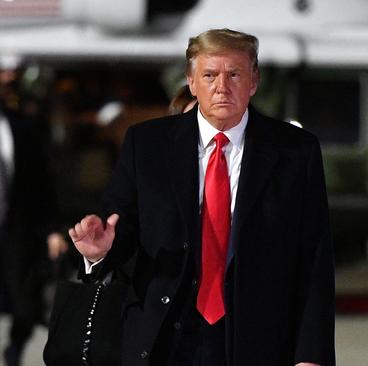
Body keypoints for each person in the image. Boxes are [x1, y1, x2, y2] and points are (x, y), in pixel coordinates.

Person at [66, 28, 335, 365]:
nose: (222, 86)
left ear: (253, 81)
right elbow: (123, 227)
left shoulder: (295, 151)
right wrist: (102, 251)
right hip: (163, 337)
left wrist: (311, 354)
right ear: (191, 82)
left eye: (234, 74)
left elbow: (314, 259)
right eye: (210, 75)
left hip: (256, 339)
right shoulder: (147, 145)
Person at [1, 56, 68, 366]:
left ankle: (14, 347)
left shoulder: (21, 128)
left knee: (25, 303)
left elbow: (41, 185)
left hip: (17, 229)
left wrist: (53, 229)